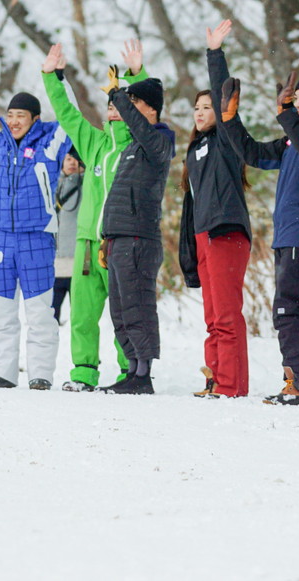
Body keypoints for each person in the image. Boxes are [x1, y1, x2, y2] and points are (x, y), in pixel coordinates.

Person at [217, 61, 299, 405]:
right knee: (298, 310)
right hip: (288, 235)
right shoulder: (292, 139)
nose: (297, 103)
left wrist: (286, 114)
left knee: (286, 310)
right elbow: (253, 153)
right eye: (295, 97)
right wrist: (230, 120)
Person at [0, 51, 72, 390]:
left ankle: (40, 375)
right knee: (1, 314)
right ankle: (3, 372)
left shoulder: (50, 143)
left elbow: (71, 116)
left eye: (22, 116)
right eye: (11, 115)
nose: (14, 120)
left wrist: (58, 80)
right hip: (1, 240)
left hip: (37, 239)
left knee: (39, 314)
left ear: (34, 119)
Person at [41, 41, 150, 390]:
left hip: (122, 244)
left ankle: (128, 373)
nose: (115, 111)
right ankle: (84, 374)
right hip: (87, 244)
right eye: (112, 105)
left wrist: (136, 74)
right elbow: (68, 114)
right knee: (83, 317)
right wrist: (51, 78)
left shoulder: (141, 146)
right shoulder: (95, 143)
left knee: (125, 315)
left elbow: (151, 109)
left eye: (122, 105)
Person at [178, 20, 254, 399]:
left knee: (226, 316)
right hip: (203, 236)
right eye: (196, 107)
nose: (200, 111)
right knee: (212, 319)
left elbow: (226, 98)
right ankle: (215, 378)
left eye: (206, 106)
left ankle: (232, 386)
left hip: (226, 233)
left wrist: (214, 54)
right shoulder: (193, 151)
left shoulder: (225, 140)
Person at [98, 67, 176, 394]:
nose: (127, 109)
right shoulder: (132, 147)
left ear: (151, 110)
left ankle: (144, 374)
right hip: (118, 237)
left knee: (137, 306)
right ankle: (131, 370)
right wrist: (106, 237)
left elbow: (143, 131)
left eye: (134, 103)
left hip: (139, 237)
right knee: (119, 309)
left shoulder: (159, 141)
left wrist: (117, 94)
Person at [52, 149, 84, 324]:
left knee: (79, 318)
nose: (72, 163)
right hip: (56, 264)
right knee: (49, 318)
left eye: (76, 160)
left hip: (78, 263)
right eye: (68, 159)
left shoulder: (88, 185)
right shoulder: (52, 185)